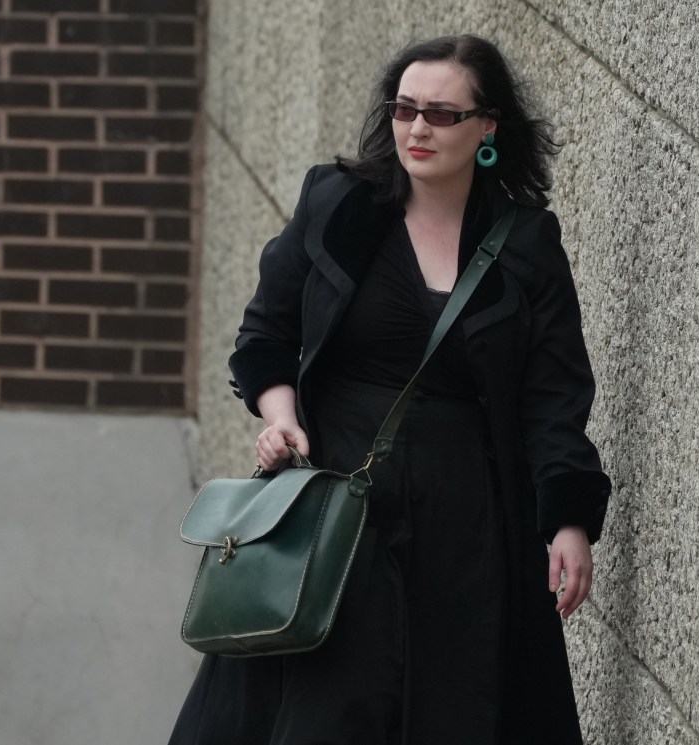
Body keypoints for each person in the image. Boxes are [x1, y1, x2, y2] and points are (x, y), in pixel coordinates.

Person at [170, 33, 611, 745]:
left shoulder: (526, 244)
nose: (416, 128)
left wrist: (567, 519)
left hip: (466, 528)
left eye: (441, 114)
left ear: (487, 128)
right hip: (339, 512)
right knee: (329, 709)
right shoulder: (339, 203)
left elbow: (553, 399)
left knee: (451, 710)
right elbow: (265, 336)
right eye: (405, 108)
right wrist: (281, 417)